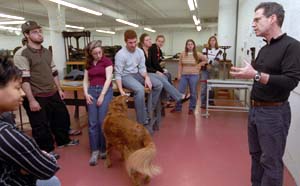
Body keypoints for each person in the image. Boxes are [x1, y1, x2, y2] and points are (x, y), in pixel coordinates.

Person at [230, 2, 300, 186]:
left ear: (273, 18)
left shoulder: (292, 46)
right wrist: (249, 73)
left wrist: (256, 74)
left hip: (273, 114)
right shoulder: (264, 48)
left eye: (257, 19)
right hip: (255, 111)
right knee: (256, 156)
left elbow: (291, 81)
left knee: (271, 162)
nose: (253, 24)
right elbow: (259, 76)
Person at [14, 20, 79, 157]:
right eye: (35, 32)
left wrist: (59, 89)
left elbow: (54, 72)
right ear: (26, 35)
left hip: (52, 92)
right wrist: (31, 100)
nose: (39, 34)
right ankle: (47, 151)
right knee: (40, 126)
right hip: (36, 95)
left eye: (40, 31)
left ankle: (63, 141)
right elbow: (24, 80)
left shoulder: (46, 52)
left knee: (61, 118)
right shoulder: (22, 54)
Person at [0, 58, 61, 186]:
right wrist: (41, 157)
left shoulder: (6, 120)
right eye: (17, 88)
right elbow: (48, 168)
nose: (22, 93)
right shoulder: (5, 135)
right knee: (52, 181)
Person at [114, 30, 163, 133]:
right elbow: (118, 74)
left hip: (137, 74)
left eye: (134, 42)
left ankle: (147, 109)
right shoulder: (120, 54)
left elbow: (142, 68)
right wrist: (121, 90)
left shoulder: (139, 52)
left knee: (158, 85)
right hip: (125, 76)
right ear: (125, 42)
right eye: (130, 43)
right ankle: (142, 122)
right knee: (140, 90)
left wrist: (147, 78)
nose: (133, 45)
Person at [83, 40, 113, 166]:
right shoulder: (88, 64)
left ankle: (103, 149)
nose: (99, 55)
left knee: (102, 121)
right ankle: (94, 150)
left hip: (104, 91)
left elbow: (109, 79)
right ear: (90, 54)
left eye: (100, 52)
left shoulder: (107, 61)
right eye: (95, 54)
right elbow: (85, 81)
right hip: (91, 91)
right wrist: (86, 94)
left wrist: (102, 95)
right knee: (92, 122)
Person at [139, 33, 190, 106]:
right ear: (142, 42)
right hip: (143, 74)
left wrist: (158, 71)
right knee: (163, 78)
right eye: (147, 40)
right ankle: (172, 98)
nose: (150, 41)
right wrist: (157, 71)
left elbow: (151, 65)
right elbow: (144, 67)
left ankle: (169, 98)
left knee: (165, 77)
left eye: (150, 39)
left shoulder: (149, 51)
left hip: (149, 72)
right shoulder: (141, 51)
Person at [171, 39, 206, 114]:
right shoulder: (183, 54)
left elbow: (205, 60)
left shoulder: (197, 54)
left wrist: (199, 65)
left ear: (194, 46)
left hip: (194, 75)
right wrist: (179, 74)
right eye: (188, 44)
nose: (190, 46)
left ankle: (191, 108)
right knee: (180, 91)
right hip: (184, 75)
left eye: (191, 44)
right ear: (186, 46)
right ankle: (178, 107)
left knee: (193, 91)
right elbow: (180, 64)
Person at [201, 36, 222, 108]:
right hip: (205, 69)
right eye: (211, 40)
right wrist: (208, 64)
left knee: (212, 86)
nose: (212, 42)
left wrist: (209, 63)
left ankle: (210, 101)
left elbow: (217, 61)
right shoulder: (205, 49)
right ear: (209, 41)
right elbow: (203, 58)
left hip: (213, 70)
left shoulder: (219, 50)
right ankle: (203, 102)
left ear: (216, 41)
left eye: (214, 40)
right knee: (204, 86)